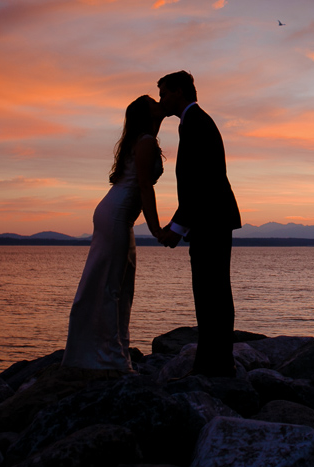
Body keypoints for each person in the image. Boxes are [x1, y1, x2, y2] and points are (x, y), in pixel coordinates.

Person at [63, 95, 165, 372]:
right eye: (153, 101)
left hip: (118, 215)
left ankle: (112, 352)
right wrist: (156, 228)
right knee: (110, 286)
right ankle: (109, 359)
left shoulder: (144, 139)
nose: (160, 102)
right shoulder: (145, 142)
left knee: (121, 286)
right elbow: (145, 187)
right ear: (146, 113)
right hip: (116, 214)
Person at [156, 71, 241, 377]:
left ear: (179, 92)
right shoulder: (194, 122)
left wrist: (176, 229)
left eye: (164, 94)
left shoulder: (195, 123)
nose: (161, 100)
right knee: (213, 291)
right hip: (211, 218)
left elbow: (200, 182)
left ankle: (215, 363)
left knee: (211, 292)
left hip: (211, 219)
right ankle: (215, 360)